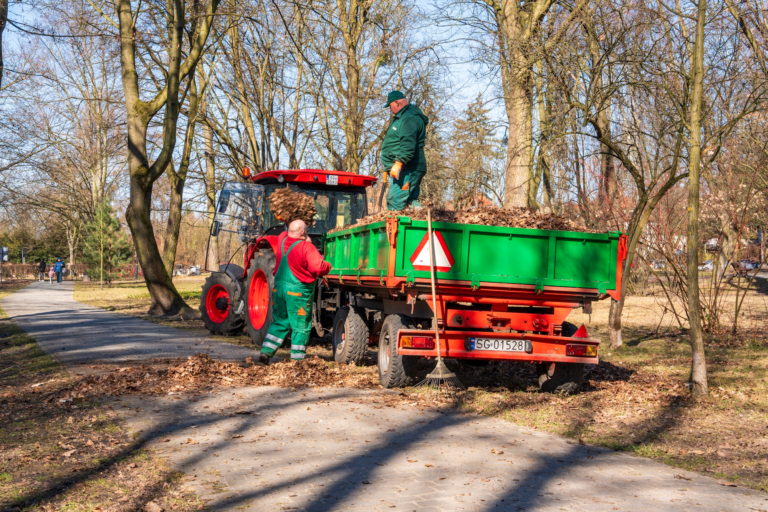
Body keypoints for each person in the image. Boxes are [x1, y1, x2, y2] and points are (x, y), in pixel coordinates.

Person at [259, 220, 332, 364]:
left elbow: (287, 232)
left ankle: (266, 352)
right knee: (300, 327)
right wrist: (328, 265)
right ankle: (297, 361)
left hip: (278, 290)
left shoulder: (281, 240)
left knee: (279, 322)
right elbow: (318, 267)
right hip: (297, 293)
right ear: (304, 232)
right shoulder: (307, 247)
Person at [380, 90, 430, 211]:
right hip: (406, 168)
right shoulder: (403, 117)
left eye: (390, 106)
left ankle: (396, 228)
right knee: (409, 203)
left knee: (395, 202)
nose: (390, 110)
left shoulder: (408, 118)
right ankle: (421, 216)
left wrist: (398, 163)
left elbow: (408, 144)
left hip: (408, 169)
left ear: (397, 103)